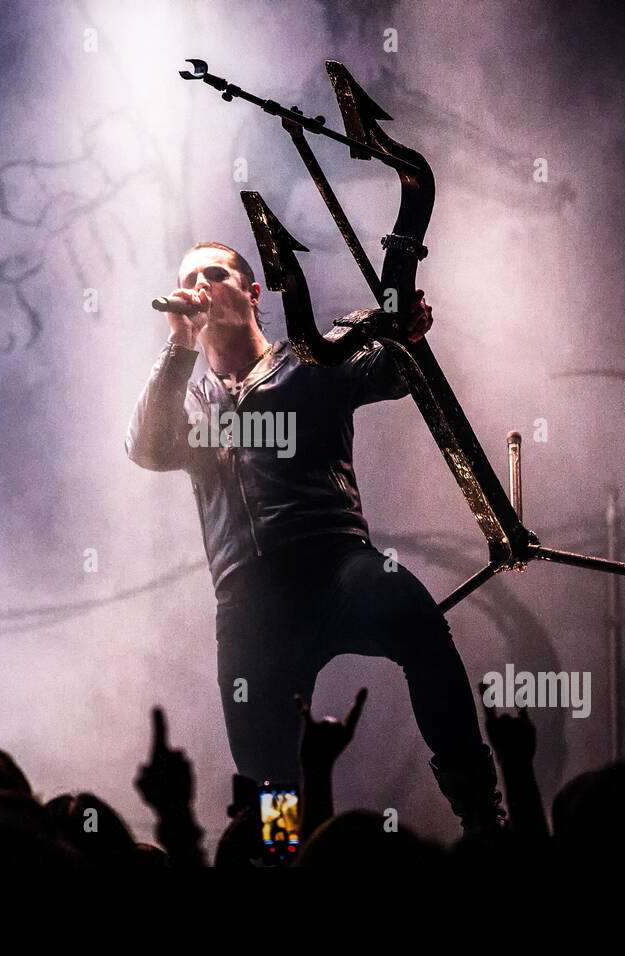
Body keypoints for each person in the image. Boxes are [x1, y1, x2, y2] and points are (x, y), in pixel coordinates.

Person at [125, 241, 505, 834]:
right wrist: (177, 344)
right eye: (189, 278)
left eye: (214, 273)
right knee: (266, 770)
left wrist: (407, 329)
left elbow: (394, 365)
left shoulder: (310, 360)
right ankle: (283, 861)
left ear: (253, 292)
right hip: (249, 600)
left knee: (418, 621)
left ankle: (483, 816)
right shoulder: (191, 406)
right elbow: (147, 448)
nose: (200, 285)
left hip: (334, 562)